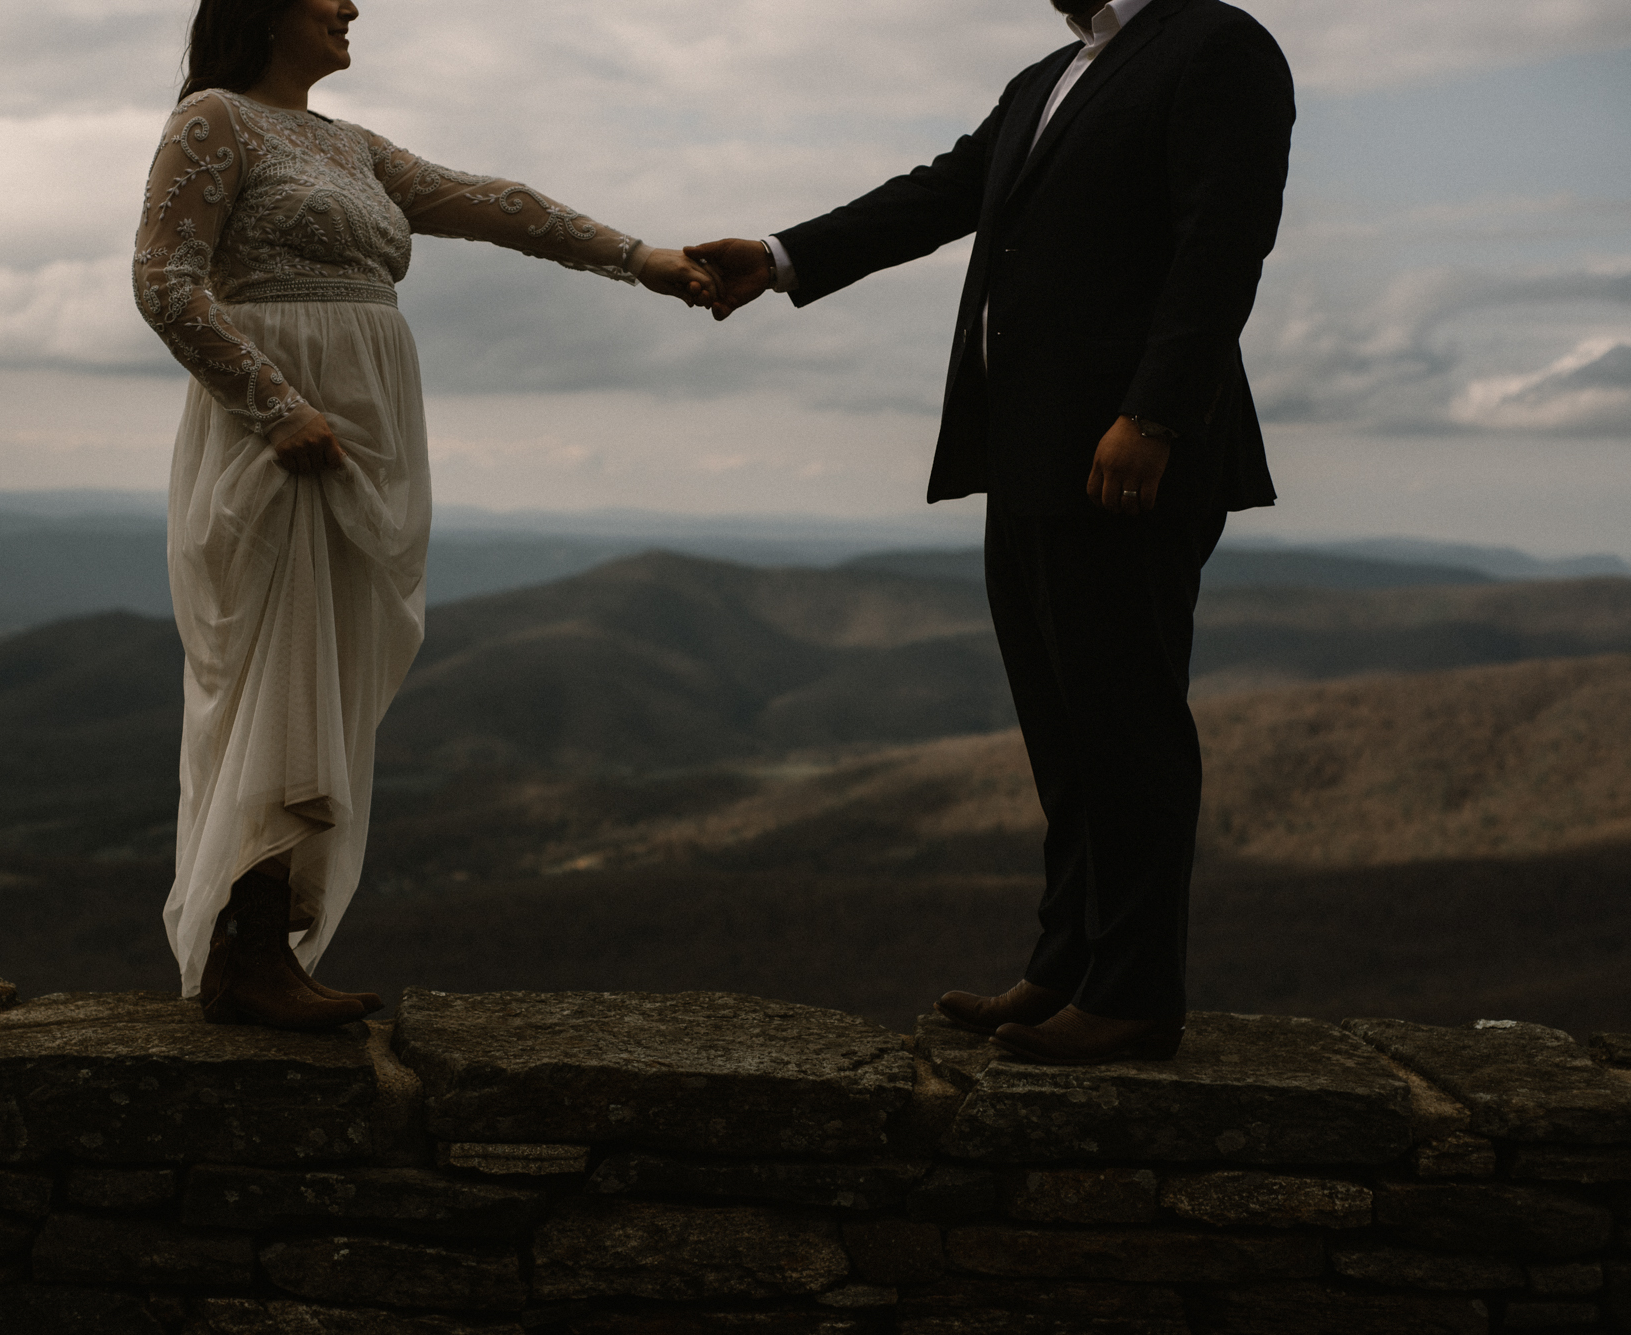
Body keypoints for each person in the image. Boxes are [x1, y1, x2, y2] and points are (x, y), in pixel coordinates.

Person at [686, 0, 1294, 1064]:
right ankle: (1066, 965)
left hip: (1129, 452)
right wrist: (781, 257)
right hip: (1027, 451)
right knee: (1061, 727)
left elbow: (1223, 239)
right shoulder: (1046, 77)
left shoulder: (1215, 43)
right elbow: (939, 194)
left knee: (1124, 721)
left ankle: (1135, 992)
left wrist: (1151, 414)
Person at [135, 0, 720, 1029]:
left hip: (364, 435)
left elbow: (496, 203)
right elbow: (164, 280)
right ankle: (247, 951)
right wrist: (274, 407)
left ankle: (262, 945)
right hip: (278, 433)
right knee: (282, 668)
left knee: (335, 675)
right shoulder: (213, 121)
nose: (352, 5)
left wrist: (640, 257)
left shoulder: (349, 146)